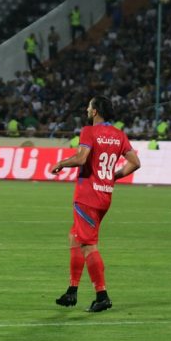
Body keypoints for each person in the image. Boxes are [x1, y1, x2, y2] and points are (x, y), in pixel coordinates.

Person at [51, 96, 141, 312]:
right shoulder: (119, 135)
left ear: (95, 111)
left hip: (88, 196)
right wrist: (112, 176)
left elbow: (81, 159)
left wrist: (61, 163)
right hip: (104, 195)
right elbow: (135, 163)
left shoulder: (89, 131)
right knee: (75, 237)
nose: (86, 109)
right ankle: (72, 291)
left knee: (88, 245)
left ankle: (102, 296)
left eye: (89, 106)